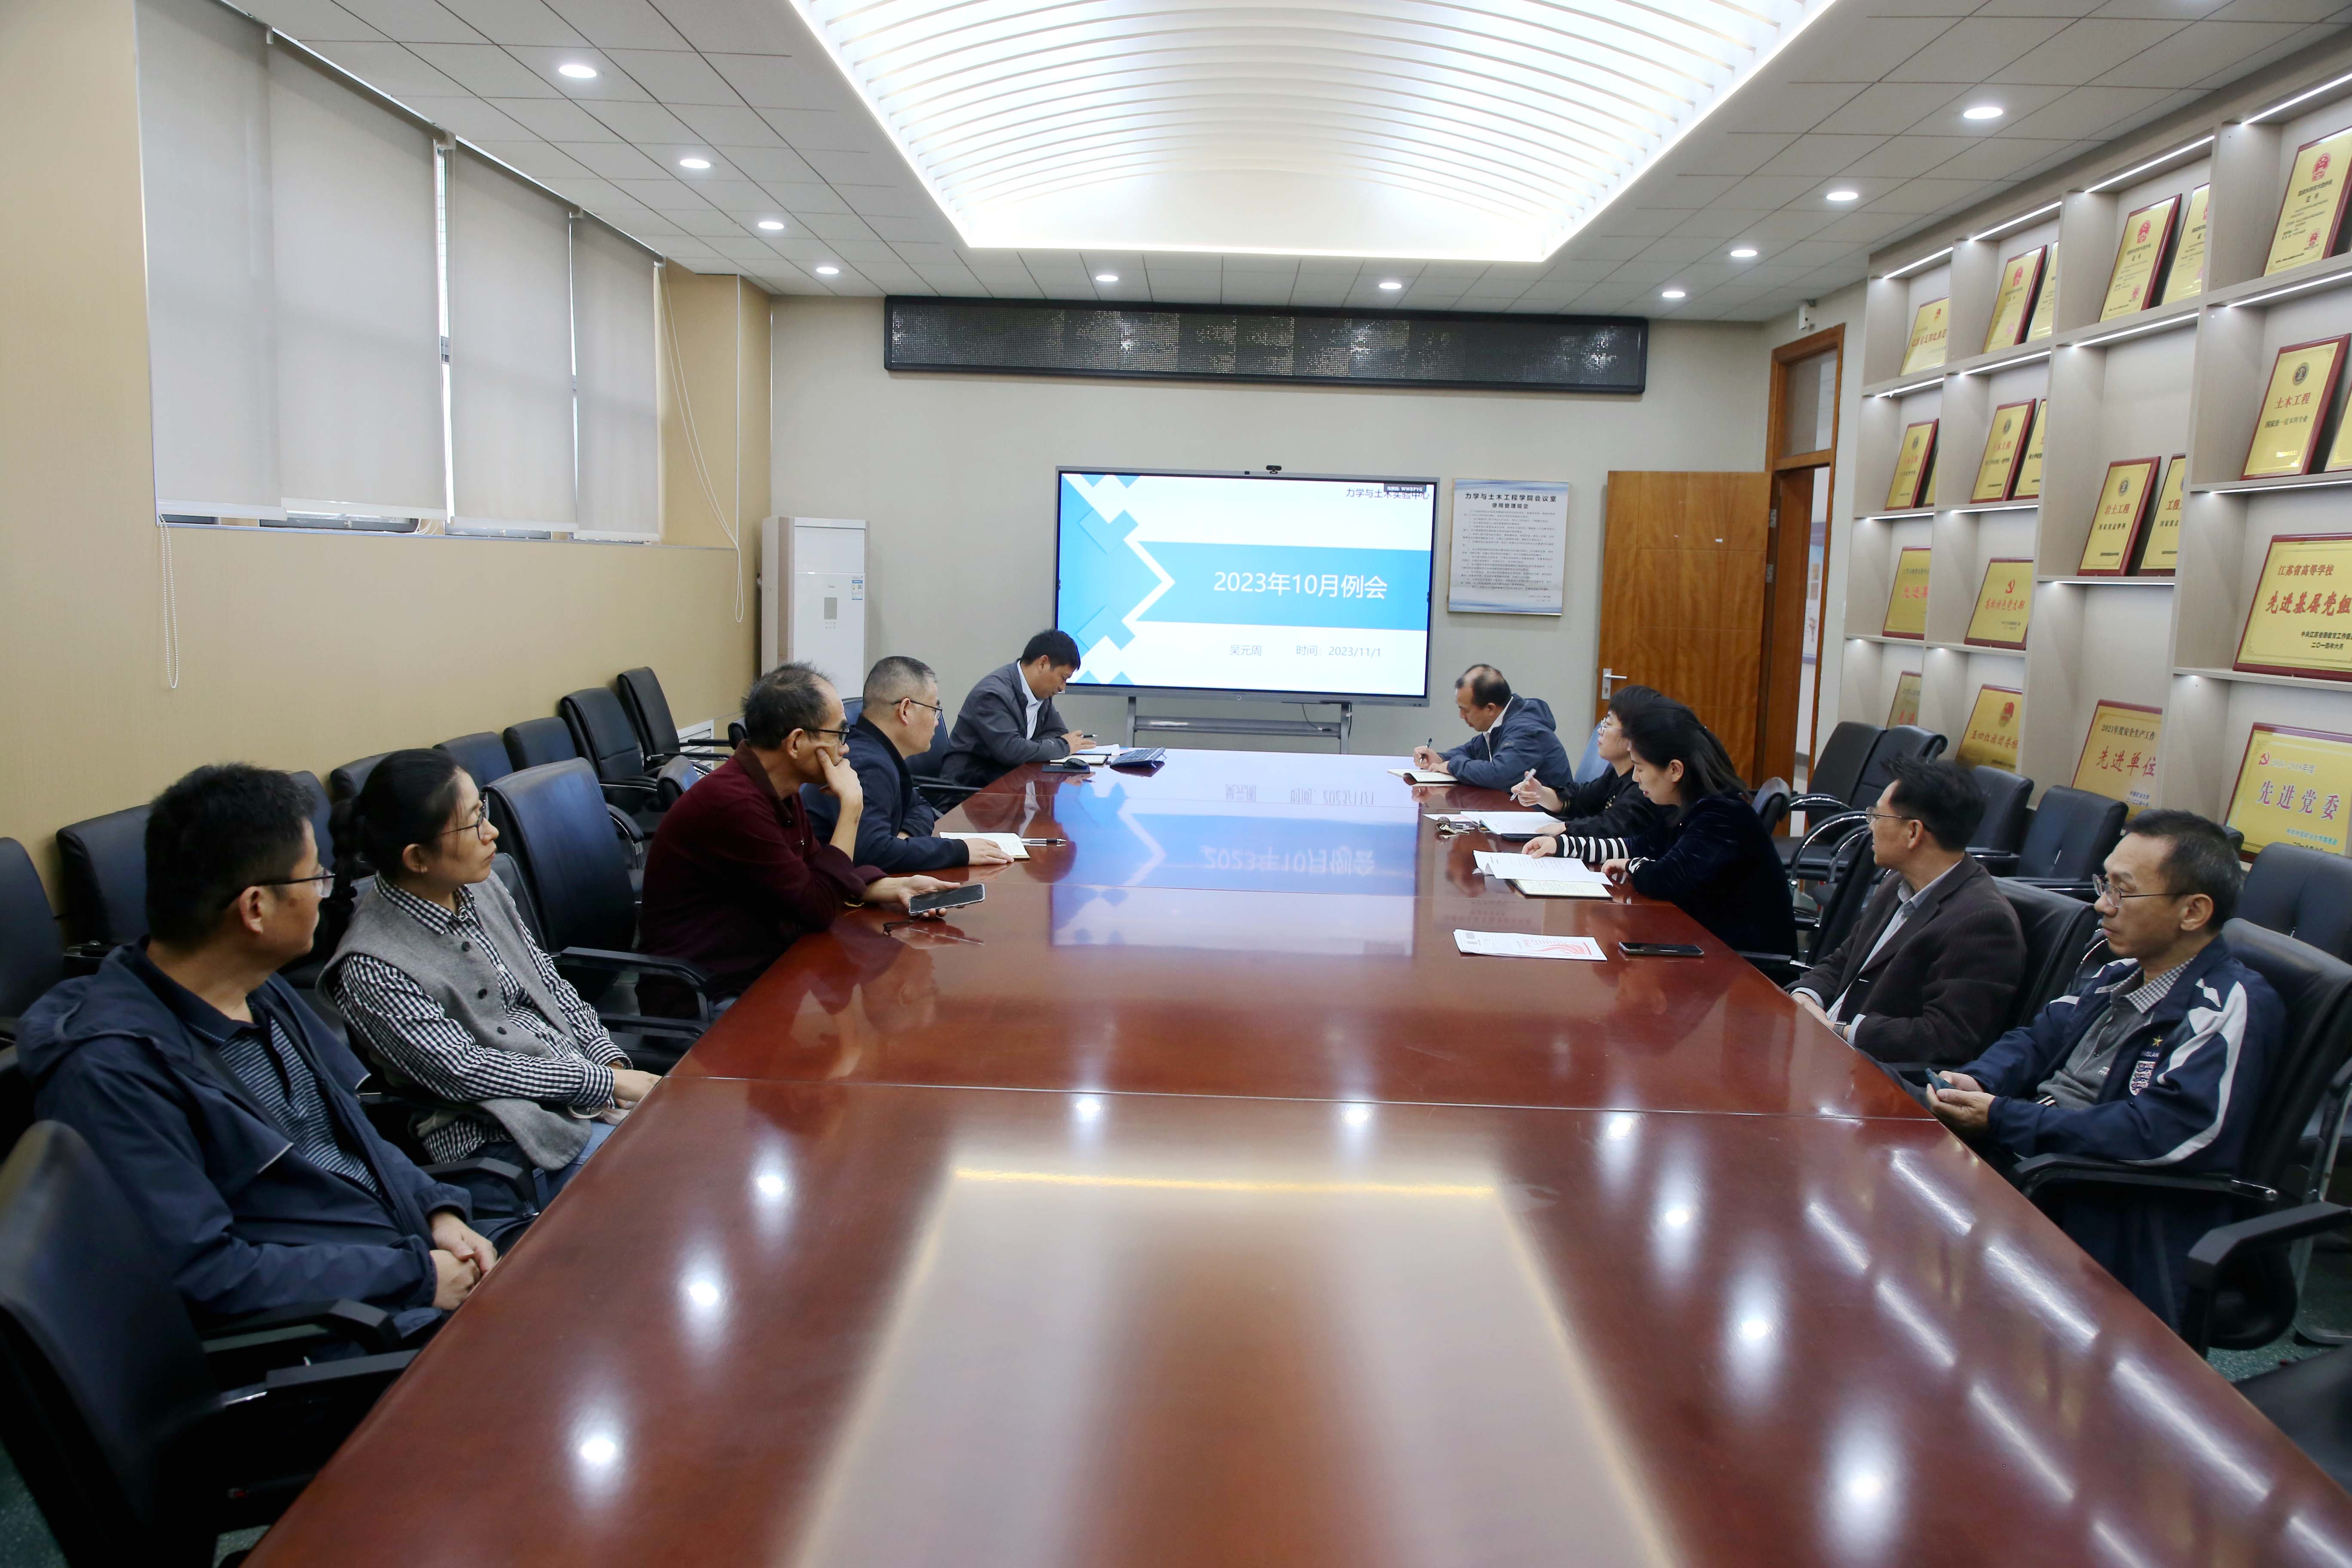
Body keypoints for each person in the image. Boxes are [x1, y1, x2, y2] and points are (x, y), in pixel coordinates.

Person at [17, 765, 497, 1339]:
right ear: (255, 909)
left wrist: (436, 1209)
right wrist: (414, 1276)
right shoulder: (113, 1071)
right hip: (341, 1337)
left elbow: (351, 1136)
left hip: (401, 1263)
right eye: (314, 878)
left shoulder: (256, 988)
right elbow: (207, 1274)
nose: (325, 892)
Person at [1926, 812, 2278, 1329]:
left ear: (2193, 911)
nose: (2102, 905)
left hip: (2105, 1206)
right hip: (2028, 1162)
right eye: (2104, 884)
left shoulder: (2228, 1004)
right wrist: (1980, 1080)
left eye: (2123, 892)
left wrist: (2003, 1118)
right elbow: (2036, 1039)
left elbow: (2162, 1133)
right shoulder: (2119, 971)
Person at [321, 750, 659, 1241]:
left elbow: (546, 982)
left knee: (706, 1143)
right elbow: (466, 1070)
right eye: (474, 823)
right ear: (417, 858)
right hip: (505, 1137)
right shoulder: (371, 965)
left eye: (484, 811)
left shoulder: (479, 886)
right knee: (671, 1186)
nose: (492, 832)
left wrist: (609, 1060)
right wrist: (601, 1082)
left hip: (580, 1087)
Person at [639, 662, 951, 1005]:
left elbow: (812, 868)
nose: (846, 749)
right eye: (839, 735)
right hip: (707, 995)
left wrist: (894, 887)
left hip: (762, 966)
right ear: (797, 742)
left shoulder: (775, 787)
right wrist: (852, 807)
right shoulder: (735, 805)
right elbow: (818, 908)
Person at [1788, 756, 2024, 1063]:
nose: (1870, 825)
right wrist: (1805, 996)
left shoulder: (1982, 921)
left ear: (1913, 832)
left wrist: (1841, 1031)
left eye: (1878, 816)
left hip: (1867, 1070)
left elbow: (1946, 1037)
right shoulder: (1896, 884)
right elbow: (1844, 961)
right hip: (1824, 1047)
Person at [1551, 701, 1795, 958]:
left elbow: (1664, 879)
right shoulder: (1681, 805)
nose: (1635, 778)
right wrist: (1564, 846)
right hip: (1701, 943)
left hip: (1743, 964)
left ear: (1675, 770)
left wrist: (1633, 865)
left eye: (1640, 768)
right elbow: (1639, 845)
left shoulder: (1721, 815)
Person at [805, 656, 1018, 875]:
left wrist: (903, 841)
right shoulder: (867, 765)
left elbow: (920, 807)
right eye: (935, 709)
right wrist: (960, 851)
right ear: (905, 710)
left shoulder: (880, 753)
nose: (937, 721)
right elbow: (872, 854)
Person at [937, 630, 1096, 791]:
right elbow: (1012, 751)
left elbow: (1058, 732)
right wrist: (1064, 746)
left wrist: (1028, 748)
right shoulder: (993, 695)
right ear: (1043, 663)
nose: (1063, 687)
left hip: (1008, 787)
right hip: (968, 792)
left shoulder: (1041, 694)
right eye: (1063, 678)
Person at [1517, 685, 1665, 858]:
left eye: (1608, 724)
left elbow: (1613, 826)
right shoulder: (1616, 772)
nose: (1600, 731)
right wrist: (1541, 794)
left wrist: (1567, 828)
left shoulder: (1645, 784)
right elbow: (1582, 799)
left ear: (1633, 739)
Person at [1410, 665, 1574, 791]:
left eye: (1465, 710)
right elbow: (1472, 751)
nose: (1461, 716)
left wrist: (1452, 766)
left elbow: (1500, 775)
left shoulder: (1526, 730)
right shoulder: (1503, 722)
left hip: (1545, 818)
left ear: (1490, 709)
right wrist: (1441, 759)